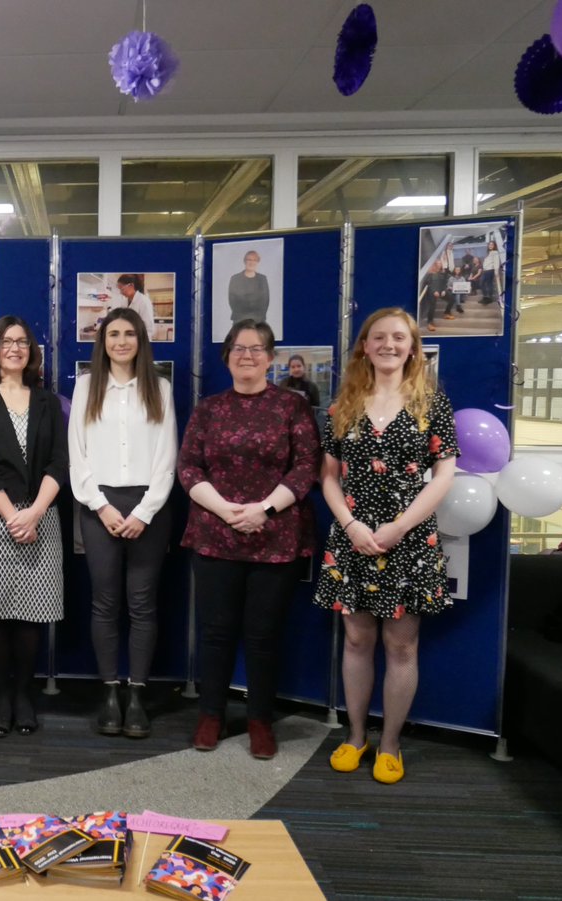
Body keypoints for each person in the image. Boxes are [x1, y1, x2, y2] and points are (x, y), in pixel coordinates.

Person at [315, 307, 458, 784]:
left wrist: (400, 526)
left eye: (399, 338)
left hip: (410, 539)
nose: (389, 345)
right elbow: (329, 477)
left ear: (413, 348)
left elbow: (445, 476)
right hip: (353, 535)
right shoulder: (344, 406)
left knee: (401, 646)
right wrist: (351, 524)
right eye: (379, 337)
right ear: (365, 346)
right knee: (357, 640)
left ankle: (391, 744)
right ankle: (356, 737)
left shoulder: (433, 404)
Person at [177, 319, 320, 759]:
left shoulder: (292, 407)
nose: (247, 356)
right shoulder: (208, 409)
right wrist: (224, 510)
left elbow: (305, 468)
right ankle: (211, 715)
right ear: (227, 357)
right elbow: (188, 468)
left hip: (275, 537)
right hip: (214, 534)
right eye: (239, 348)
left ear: (271, 358)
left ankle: (260, 719)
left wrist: (263, 510)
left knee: (263, 635)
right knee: (216, 632)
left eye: (257, 349)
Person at [68, 308, 177, 738]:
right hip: (101, 507)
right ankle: (110, 694)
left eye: (129, 334)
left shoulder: (161, 389)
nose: (121, 342)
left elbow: (168, 457)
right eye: (113, 334)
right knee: (105, 603)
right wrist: (102, 506)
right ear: (103, 342)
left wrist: (144, 512)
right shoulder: (85, 387)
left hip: (149, 506)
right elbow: (77, 454)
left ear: (141, 340)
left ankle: (137, 696)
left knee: (143, 603)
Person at [0, 316, 67, 737]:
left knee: (31, 616)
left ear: (31, 352)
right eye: (7, 341)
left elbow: (60, 461)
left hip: (40, 515)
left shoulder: (48, 402)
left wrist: (35, 511)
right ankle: (0, 697)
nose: (15, 348)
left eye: (23, 341)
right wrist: (12, 515)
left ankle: (25, 695)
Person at [227, 250, 269, 325]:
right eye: (249, 259)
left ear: (257, 262)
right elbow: (232, 301)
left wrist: (257, 318)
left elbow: (265, 301)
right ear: (245, 261)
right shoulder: (235, 279)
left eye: (254, 260)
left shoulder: (262, 279)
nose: (251, 262)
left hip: (259, 320)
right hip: (239, 320)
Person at [420, 259, 452, 331]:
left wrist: (444, 290)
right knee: (432, 306)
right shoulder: (430, 273)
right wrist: (434, 291)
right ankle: (430, 323)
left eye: (440, 263)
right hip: (432, 292)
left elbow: (444, 283)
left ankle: (446, 313)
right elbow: (428, 284)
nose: (439, 264)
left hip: (441, 291)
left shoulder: (442, 273)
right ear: (435, 264)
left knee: (451, 299)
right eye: (438, 263)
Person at [481, 239, 503, 305]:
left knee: (488, 284)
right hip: (485, 270)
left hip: (490, 270)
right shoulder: (489, 252)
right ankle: (485, 297)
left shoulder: (495, 252)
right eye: (489, 244)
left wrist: (496, 272)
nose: (490, 246)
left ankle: (489, 298)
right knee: (482, 283)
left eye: (492, 244)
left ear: (494, 246)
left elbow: (496, 263)